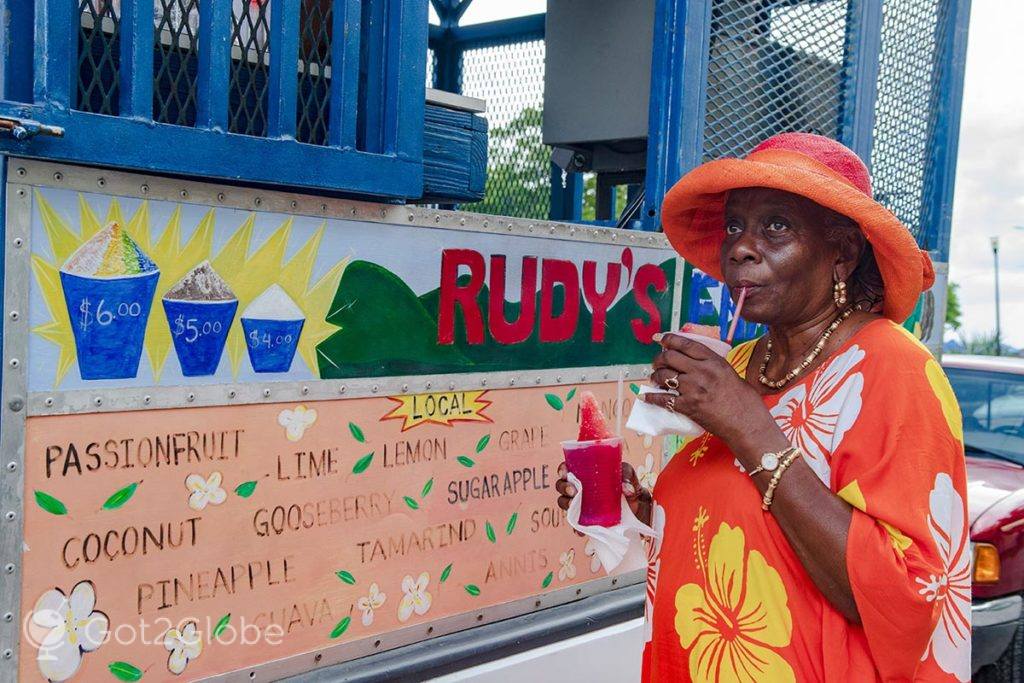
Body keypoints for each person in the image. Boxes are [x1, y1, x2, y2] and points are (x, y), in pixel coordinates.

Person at [555, 133, 969, 682]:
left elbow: (906, 600)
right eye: (734, 227)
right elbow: (741, 527)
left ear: (841, 254)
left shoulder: (894, 369)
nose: (741, 248)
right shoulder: (741, 362)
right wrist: (636, 508)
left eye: (777, 226)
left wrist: (749, 424)